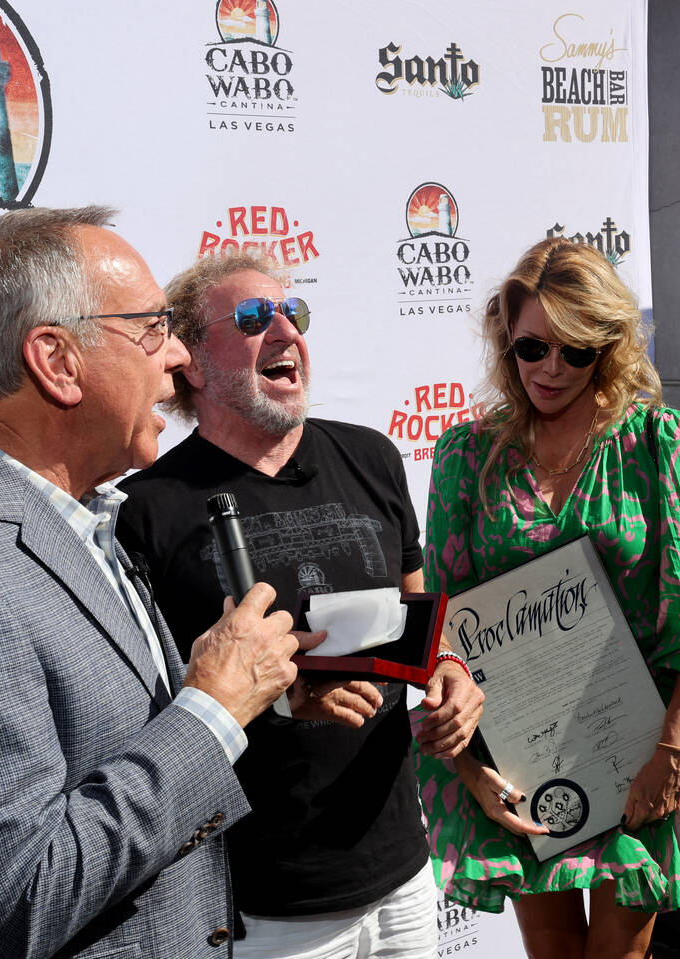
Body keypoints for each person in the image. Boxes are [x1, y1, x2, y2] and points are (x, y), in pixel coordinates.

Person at [0, 207, 306, 958]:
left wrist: (237, 691)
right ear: (56, 360)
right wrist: (212, 711)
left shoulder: (72, 511)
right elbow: (18, 900)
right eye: (152, 327)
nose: (178, 355)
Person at [116, 253, 485, 958]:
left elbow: (420, 625)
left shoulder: (372, 457)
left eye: (294, 312)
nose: (285, 329)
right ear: (191, 362)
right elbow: (154, 714)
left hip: (403, 869)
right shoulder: (147, 509)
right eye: (255, 318)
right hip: (269, 906)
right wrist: (284, 699)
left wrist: (453, 675)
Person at [416, 237, 680, 959]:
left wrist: (674, 747)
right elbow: (442, 619)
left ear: (608, 347)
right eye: (531, 347)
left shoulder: (661, 442)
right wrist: (471, 768)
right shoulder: (466, 456)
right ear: (507, 342)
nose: (548, 368)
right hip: (519, 749)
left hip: (636, 741)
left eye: (573, 351)